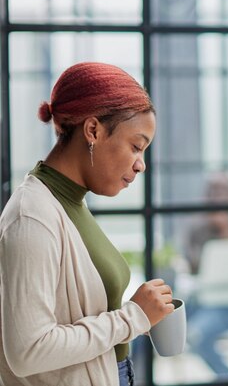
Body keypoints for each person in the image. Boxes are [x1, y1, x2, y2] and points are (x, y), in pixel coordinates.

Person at [0, 62, 174, 386]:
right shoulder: (31, 218)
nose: (141, 165)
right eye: (136, 146)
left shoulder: (71, 201)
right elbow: (27, 351)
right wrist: (133, 317)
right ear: (93, 130)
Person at [184, 173, 228, 378]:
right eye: (214, 192)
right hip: (197, 300)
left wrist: (226, 230)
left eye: (223, 192)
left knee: (196, 336)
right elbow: (192, 267)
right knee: (146, 327)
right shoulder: (196, 229)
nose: (218, 198)